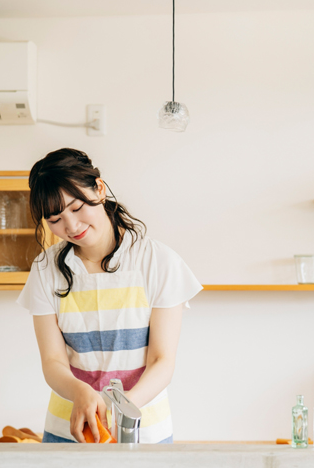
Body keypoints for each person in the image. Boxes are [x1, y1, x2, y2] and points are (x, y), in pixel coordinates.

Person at [17, 148, 202, 443]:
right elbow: (53, 361)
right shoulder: (45, 269)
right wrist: (82, 393)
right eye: (55, 219)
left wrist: (122, 408)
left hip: (144, 428)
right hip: (71, 429)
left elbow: (162, 360)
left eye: (77, 208)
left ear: (99, 189)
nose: (71, 226)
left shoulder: (159, 261)